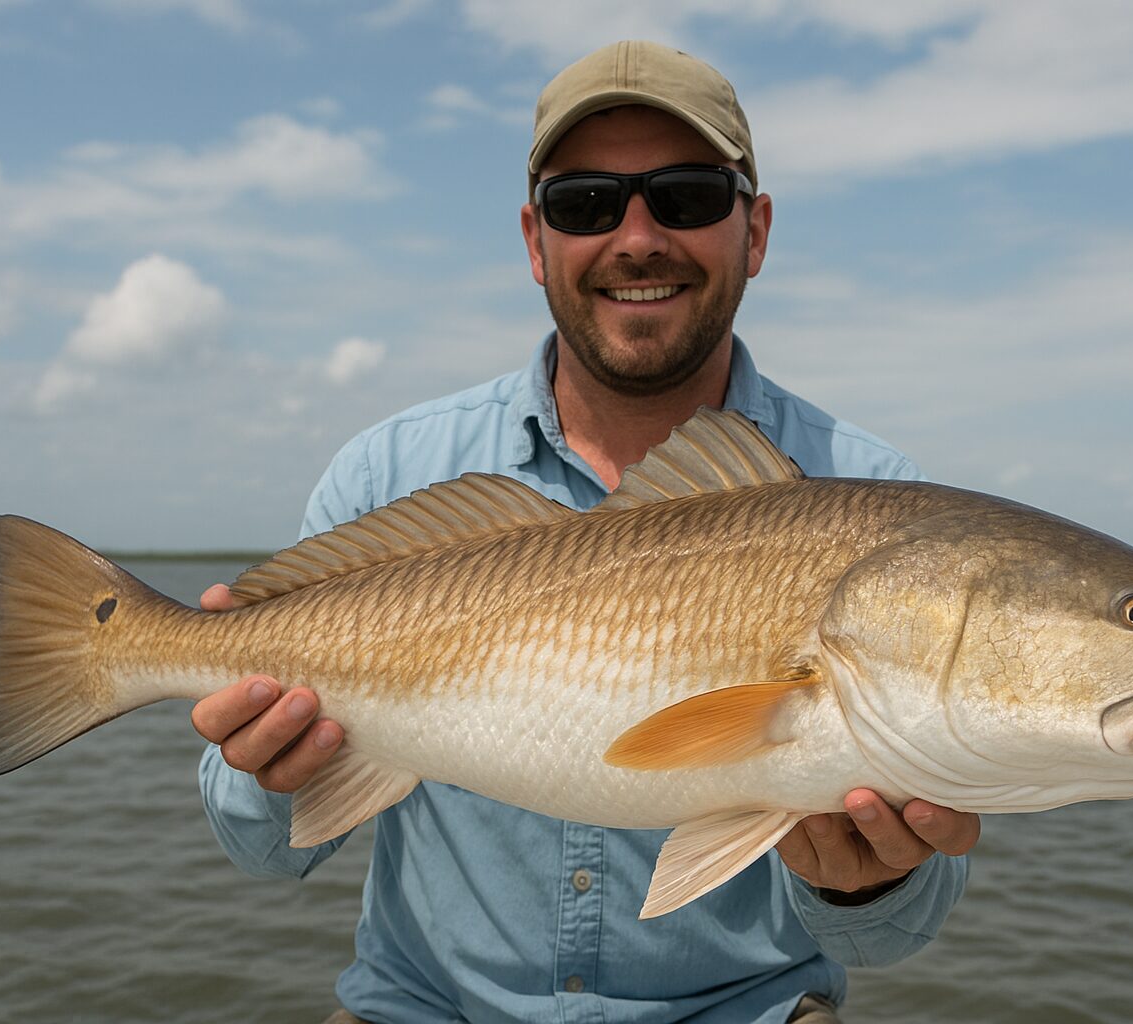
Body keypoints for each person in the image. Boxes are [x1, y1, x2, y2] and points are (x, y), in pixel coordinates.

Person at [193, 40, 979, 1024]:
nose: (637, 236)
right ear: (535, 241)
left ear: (757, 230)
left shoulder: (883, 508)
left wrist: (864, 881)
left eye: (688, 196)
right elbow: (264, 852)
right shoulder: (385, 474)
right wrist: (266, 771)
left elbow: (892, 937)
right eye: (586, 205)